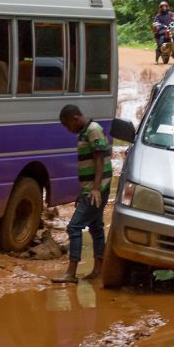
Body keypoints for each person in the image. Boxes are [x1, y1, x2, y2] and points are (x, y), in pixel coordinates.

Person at [52, 105, 112, 284]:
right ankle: (99, 269)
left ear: (75, 119)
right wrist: (84, 191)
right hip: (93, 188)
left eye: (67, 125)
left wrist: (94, 189)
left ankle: (71, 273)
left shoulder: (93, 130)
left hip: (97, 189)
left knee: (74, 227)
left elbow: (99, 159)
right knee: (96, 227)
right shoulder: (85, 132)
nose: (67, 129)